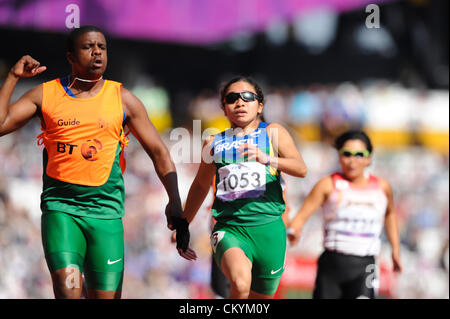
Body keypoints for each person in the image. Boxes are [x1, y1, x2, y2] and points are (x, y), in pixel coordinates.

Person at [0, 25, 193, 299]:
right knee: (68, 287)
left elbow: (160, 153)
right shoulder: (46, 94)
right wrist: (12, 77)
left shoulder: (124, 100)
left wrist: (175, 201)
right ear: (70, 56)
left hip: (107, 215)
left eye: (101, 47)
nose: (97, 52)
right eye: (88, 47)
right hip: (62, 210)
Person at [180, 76, 307, 299]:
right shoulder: (213, 143)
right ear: (223, 108)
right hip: (230, 228)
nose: (240, 102)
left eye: (247, 97)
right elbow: (200, 185)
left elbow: (301, 168)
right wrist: (183, 225)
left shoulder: (273, 133)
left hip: (269, 231)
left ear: (260, 106)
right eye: (232, 98)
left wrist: (268, 159)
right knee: (240, 284)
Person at [287, 130, 402, 299]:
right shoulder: (328, 184)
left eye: (359, 154)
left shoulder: (382, 188)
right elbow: (301, 217)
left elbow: (390, 214)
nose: (352, 160)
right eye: (346, 154)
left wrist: (395, 249)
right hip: (332, 264)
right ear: (339, 156)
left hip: (365, 266)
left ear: (369, 158)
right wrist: (293, 231)